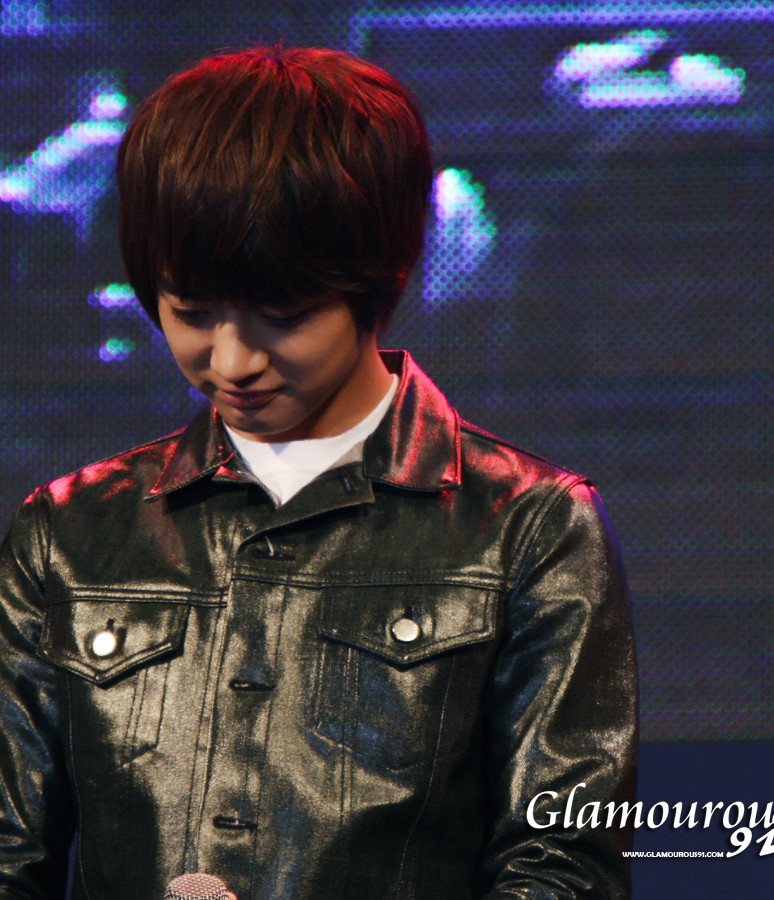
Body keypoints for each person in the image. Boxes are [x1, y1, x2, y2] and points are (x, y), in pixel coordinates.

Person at [0, 46, 637, 899]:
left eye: (283, 315)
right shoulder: (68, 532)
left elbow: (561, 868)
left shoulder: (530, 527)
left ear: (382, 281)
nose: (232, 361)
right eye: (192, 313)